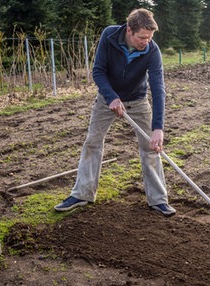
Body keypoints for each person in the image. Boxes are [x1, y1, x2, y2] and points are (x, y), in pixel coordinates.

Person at [54, 8, 176, 217]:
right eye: (142, 37)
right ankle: (82, 193)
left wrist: (158, 128)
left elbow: (158, 89)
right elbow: (98, 71)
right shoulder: (109, 36)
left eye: (150, 37)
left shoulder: (152, 51)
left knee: (151, 148)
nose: (146, 41)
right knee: (92, 142)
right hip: (107, 100)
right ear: (129, 30)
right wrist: (111, 97)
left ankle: (158, 200)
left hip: (137, 101)